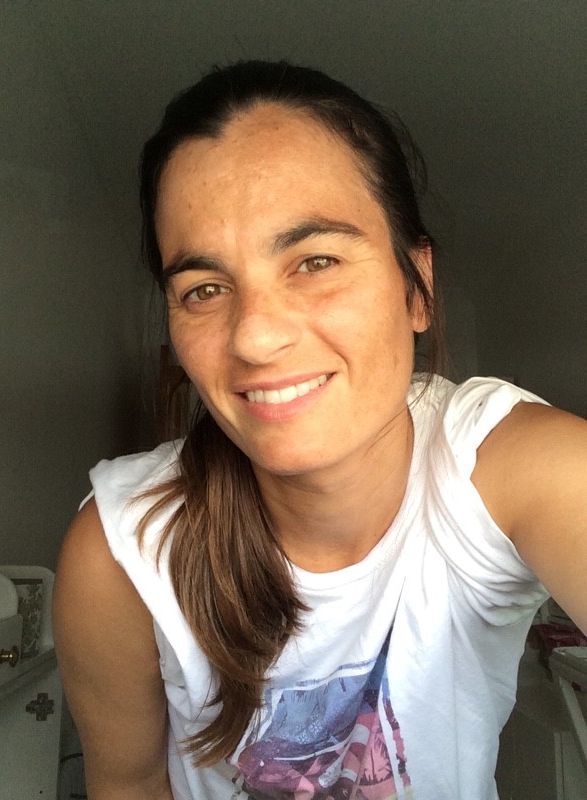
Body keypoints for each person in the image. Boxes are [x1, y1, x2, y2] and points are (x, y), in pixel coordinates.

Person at [53, 60, 587, 800]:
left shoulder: (508, 468)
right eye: (204, 289)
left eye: (315, 261)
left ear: (417, 287)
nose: (254, 337)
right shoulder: (122, 552)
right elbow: (129, 786)